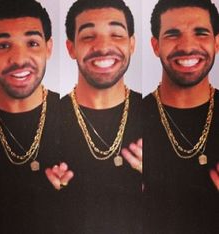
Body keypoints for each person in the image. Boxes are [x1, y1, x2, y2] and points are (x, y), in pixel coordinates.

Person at [46, 0, 142, 233]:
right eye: (89, 36)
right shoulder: (45, 120)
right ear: (71, 48)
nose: (103, 46)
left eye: (116, 35)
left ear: (132, 44)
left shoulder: (155, 113)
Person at [0, 0, 73, 233]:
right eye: (4, 45)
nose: (19, 59)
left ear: (48, 48)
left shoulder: (77, 115)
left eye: (32, 43)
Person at [142, 0, 219, 233]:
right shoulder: (128, 120)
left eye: (201, 33)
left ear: (216, 42)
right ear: (155, 45)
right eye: (173, 34)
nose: (187, 46)